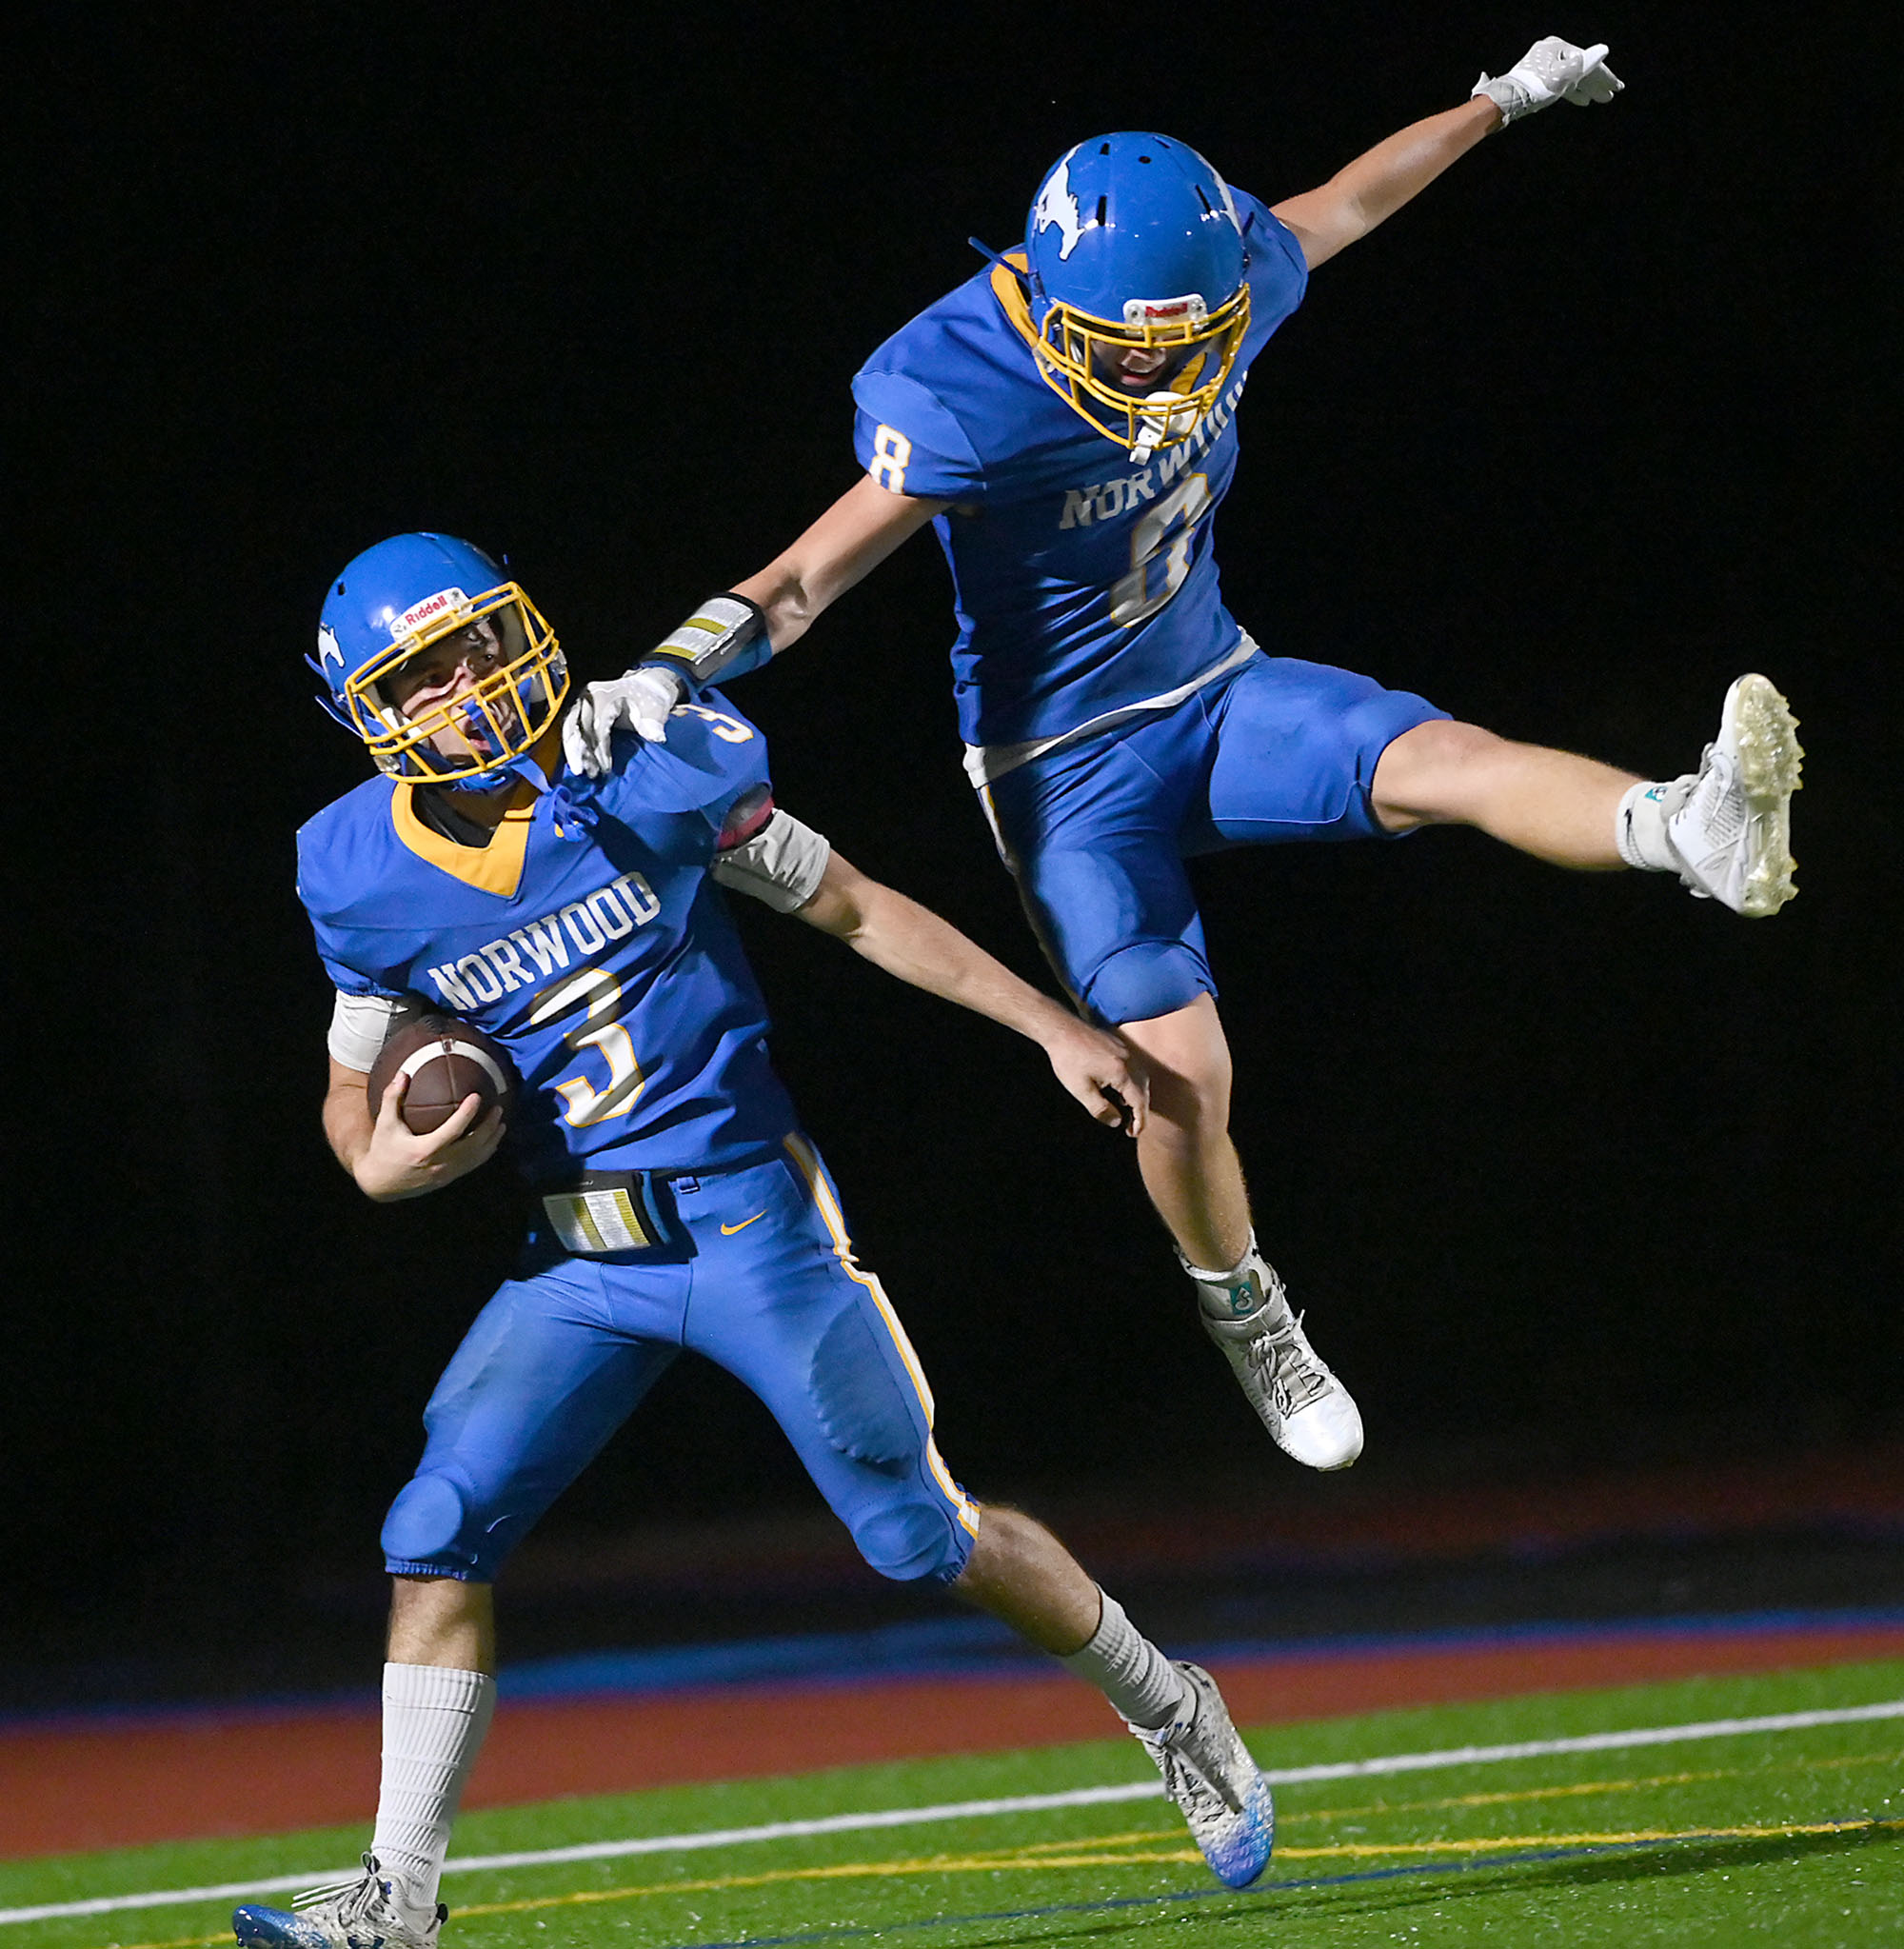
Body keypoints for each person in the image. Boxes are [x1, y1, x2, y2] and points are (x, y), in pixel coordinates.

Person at [565, 35, 1803, 1478]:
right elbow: (801, 581)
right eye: (1135, 343)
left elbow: (1344, 203)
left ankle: (1687, 828)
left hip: (1218, 689)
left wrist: (1500, 101)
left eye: (1187, 335)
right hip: (1065, 766)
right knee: (1182, 1074)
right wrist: (668, 661)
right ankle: (1247, 1310)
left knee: (1443, 758)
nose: (1166, 371)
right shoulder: (960, 386)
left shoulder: (1222, 285)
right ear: (1050, 305)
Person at [233, 531, 1273, 1949]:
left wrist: (1048, 1026)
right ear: (372, 709)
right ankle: (396, 1898)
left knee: (920, 1537)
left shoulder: (650, 760)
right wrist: (374, 1163)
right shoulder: (350, 867)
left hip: (746, 1220)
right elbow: (355, 1084)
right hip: (578, 1261)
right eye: (429, 671)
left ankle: (1170, 1701)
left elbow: (853, 906)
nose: (471, 681)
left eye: (482, 641)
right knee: (435, 1527)